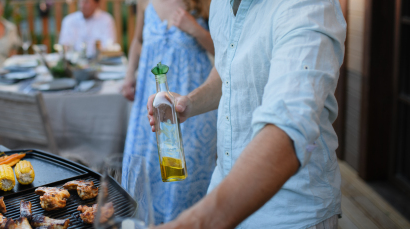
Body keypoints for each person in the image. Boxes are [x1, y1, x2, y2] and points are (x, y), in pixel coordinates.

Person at [146, 0, 346, 228]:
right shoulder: (220, 4)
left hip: (290, 213)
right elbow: (227, 69)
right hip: (224, 190)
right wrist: (188, 103)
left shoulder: (307, 6)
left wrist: (190, 224)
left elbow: (287, 129)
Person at [120, 0, 215, 223]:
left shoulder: (204, 3)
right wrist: (129, 76)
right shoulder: (145, 2)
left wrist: (194, 29)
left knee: (183, 176)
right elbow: (137, 41)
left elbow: (225, 51)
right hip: (149, 102)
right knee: (146, 168)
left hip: (191, 110)